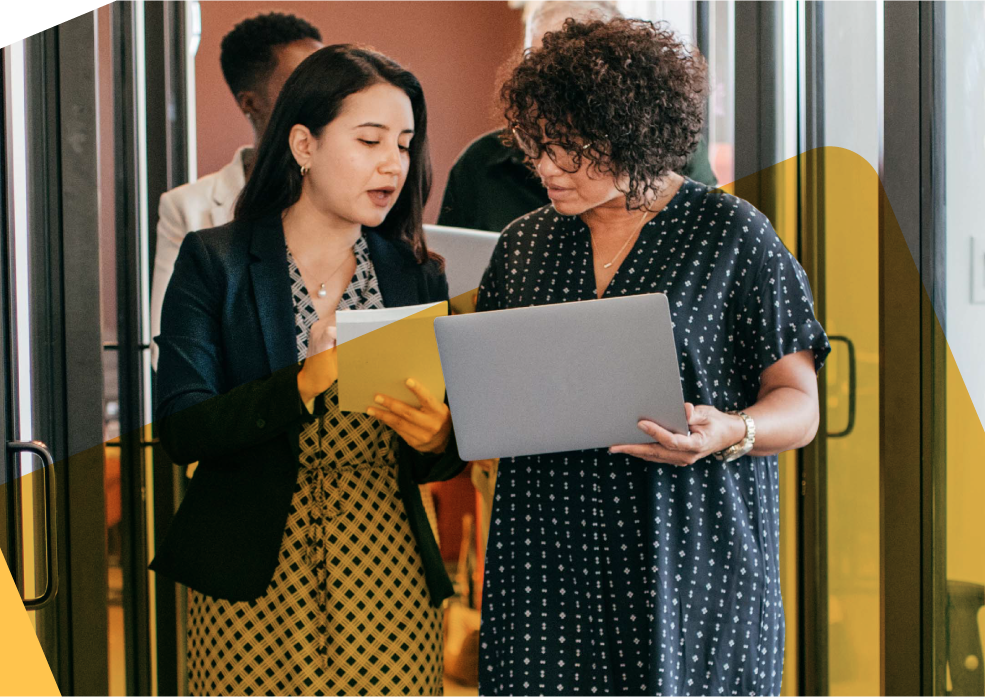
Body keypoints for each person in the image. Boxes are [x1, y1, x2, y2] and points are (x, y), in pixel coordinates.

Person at [475, 19, 830, 696]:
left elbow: (799, 404)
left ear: (630, 131)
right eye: (534, 147)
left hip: (690, 558)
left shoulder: (731, 232)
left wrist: (731, 429)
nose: (546, 168)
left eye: (568, 149)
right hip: (546, 563)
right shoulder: (522, 244)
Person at [149, 44, 465, 696]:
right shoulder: (216, 260)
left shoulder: (415, 272)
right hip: (251, 571)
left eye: (405, 145)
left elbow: (439, 456)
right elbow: (183, 428)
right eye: (370, 139)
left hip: (385, 569)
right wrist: (304, 382)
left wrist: (439, 438)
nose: (392, 164)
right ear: (302, 143)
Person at [437, 0, 718, 235]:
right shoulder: (478, 164)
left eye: (574, 73)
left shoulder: (677, 158)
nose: (547, 90)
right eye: (536, 67)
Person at [150, 12, 323, 369]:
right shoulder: (187, 208)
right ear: (249, 102)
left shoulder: (347, 195)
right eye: (298, 84)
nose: (319, 97)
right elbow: (168, 352)